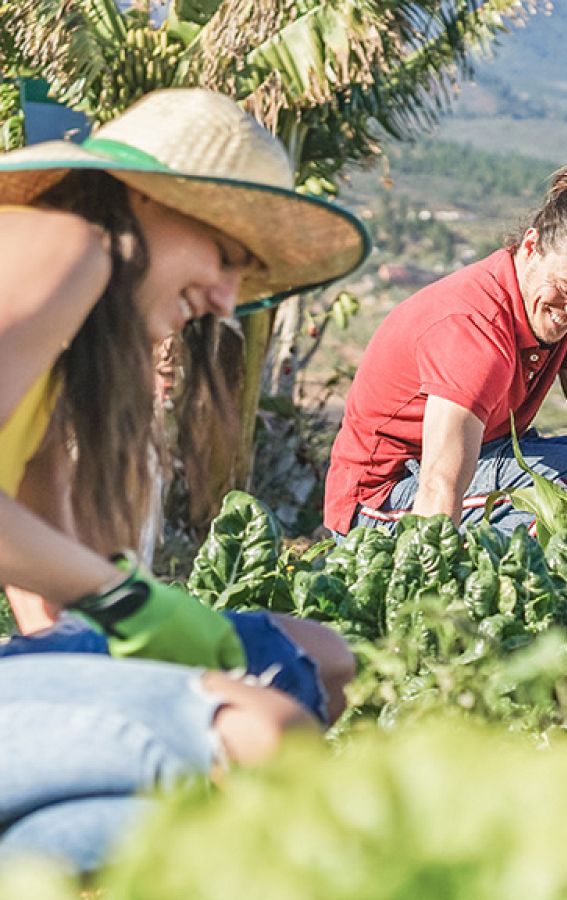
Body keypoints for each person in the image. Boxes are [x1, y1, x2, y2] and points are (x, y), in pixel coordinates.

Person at [0, 88, 368, 870]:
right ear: (141, 199)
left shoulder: (66, 356)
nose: (227, 299)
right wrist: (126, 601)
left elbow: (52, 584)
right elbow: (100, 591)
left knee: (318, 663)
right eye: (225, 255)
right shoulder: (67, 245)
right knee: (263, 730)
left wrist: (114, 629)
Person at [324, 163, 567, 541]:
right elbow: (440, 482)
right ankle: (507, 593)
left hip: (479, 461)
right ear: (531, 248)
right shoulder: (474, 330)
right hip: (385, 505)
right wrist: (427, 588)